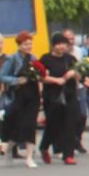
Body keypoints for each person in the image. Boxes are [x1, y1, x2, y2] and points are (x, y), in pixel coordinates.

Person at [0, 31, 42, 165]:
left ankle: (29, 157)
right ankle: (10, 147)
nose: (28, 47)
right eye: (26, 44)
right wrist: (16, 80)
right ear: (20, 45)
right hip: (19, 96)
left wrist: (39, 78)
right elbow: (1, 76)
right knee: (18, 126)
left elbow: (40, 75)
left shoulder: (33, 58)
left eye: (30, 44)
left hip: (33, 95)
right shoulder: (12, 59)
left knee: (30, 125)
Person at [38, 34, 81, 165]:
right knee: (53, 125)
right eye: (59, 44)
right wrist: (57, 80)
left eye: (64, 44)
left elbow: (80, 75)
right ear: (53, 45)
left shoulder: (70, 59)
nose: (62, 46)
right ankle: (44, 147)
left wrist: (74, 73)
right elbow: (41, 77)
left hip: (70, 94)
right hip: (52, 96)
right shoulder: (46, 59)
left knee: (70, 124)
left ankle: (68, 155)